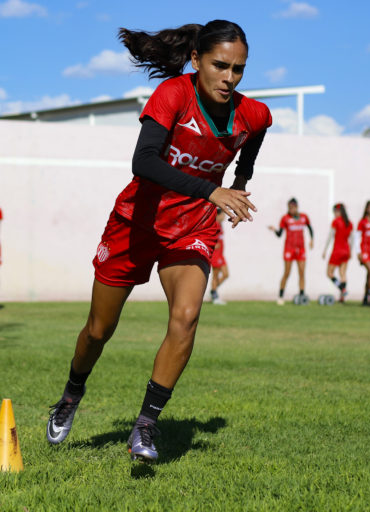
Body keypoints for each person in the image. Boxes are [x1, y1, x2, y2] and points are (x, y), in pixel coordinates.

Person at [45, 20, 271, 462]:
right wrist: (212, 189)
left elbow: (255, 136)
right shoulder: (173, 95)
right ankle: (71, 395)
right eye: (220, 66)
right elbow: (143, 161)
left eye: (238, 69)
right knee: (98, 330)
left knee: (185, 318)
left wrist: (240, 180)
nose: (229, 78)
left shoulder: (254, 113)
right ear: (196, 61)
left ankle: (146, 426)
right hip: (136, 223)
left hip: (191, 229)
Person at [268, 198, 313, 305]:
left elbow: (310, 228)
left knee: (302, 272)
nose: (290, 210)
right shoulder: (285, 218)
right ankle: (280, 295)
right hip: (289, 248)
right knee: (287, 273)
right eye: (289, 208)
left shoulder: (304, 217)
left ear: (296, 207)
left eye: (292, 207)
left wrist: (312, 240)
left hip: (301, 248)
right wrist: (274, 230)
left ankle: (302, 295)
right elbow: (280, 234)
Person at [322, 203, 353, 303]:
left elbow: (330, 237)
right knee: (343, 274)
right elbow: (352, 239)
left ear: (338, 211)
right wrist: (350, 251)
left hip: (337, 251)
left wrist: (325, 250)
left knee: (329, 273)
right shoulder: (349, 223)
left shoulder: (336, 222)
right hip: (346, 251)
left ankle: (342, 289)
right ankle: (342, 297)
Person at [209, 208, 229, 305]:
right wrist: (213, 244)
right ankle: (215, 296)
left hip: (221, 254)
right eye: (223, 214)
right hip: (216, 254)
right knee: (215, 275)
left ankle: (213, 291)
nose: (224, 216)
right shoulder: (215, 225)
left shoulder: (220, 225)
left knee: (226, 274)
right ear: (218, 215)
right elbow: (209, 237)